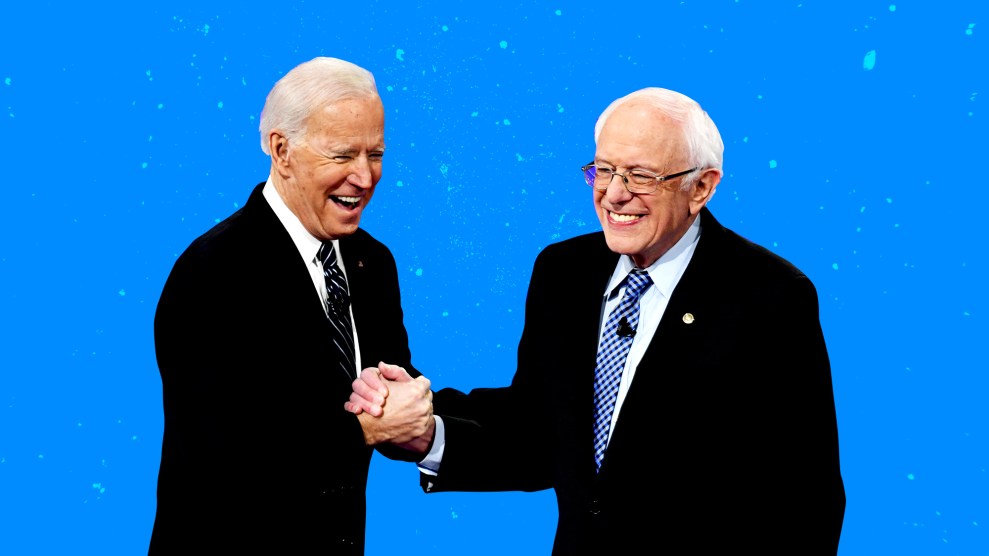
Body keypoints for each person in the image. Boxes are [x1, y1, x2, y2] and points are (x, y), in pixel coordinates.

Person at [348, 87, 846, 554]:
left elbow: (808, 498)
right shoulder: (563, 273)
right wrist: (427, 432)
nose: (613, 194)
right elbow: (539, 431)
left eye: (641, 175)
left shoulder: (770, 298)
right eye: (603, 170)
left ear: (701, 188)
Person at [149, 56, 433, 555]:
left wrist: (415, 410)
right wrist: (363, 429)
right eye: (343, 155)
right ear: (282, 150)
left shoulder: (372, 262)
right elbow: (223, 448)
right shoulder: (212, 270)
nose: (365, 177)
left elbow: (389, 394)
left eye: (376, 154)